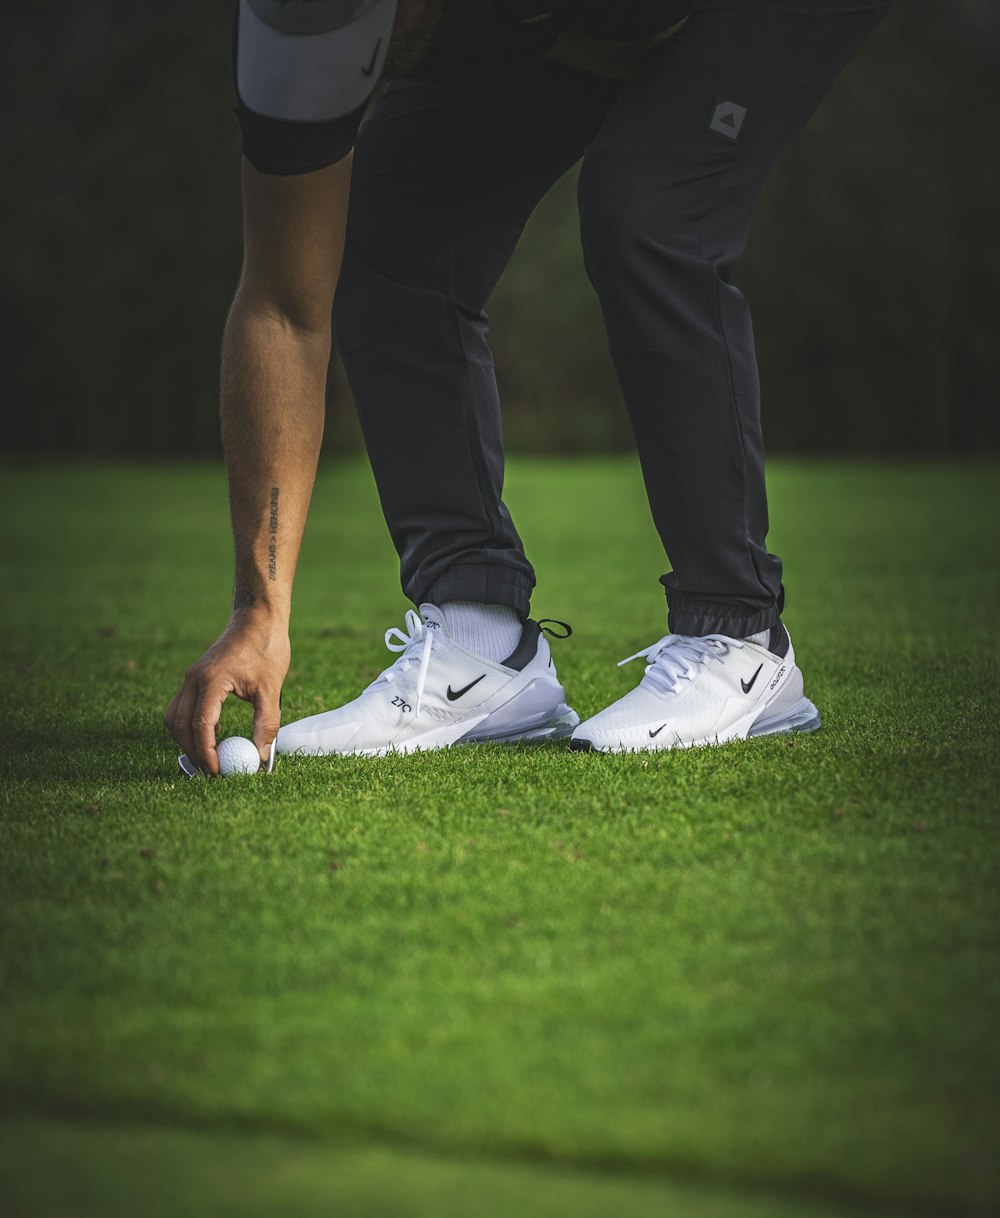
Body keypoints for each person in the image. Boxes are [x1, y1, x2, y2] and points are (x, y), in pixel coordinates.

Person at [165, 0, 892, 772]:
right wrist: (260, 610)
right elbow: (283, 308)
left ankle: (742, 641)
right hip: (550, 22)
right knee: (390, 224)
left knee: (650, 210)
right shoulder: (298, 35)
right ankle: (485, 647)